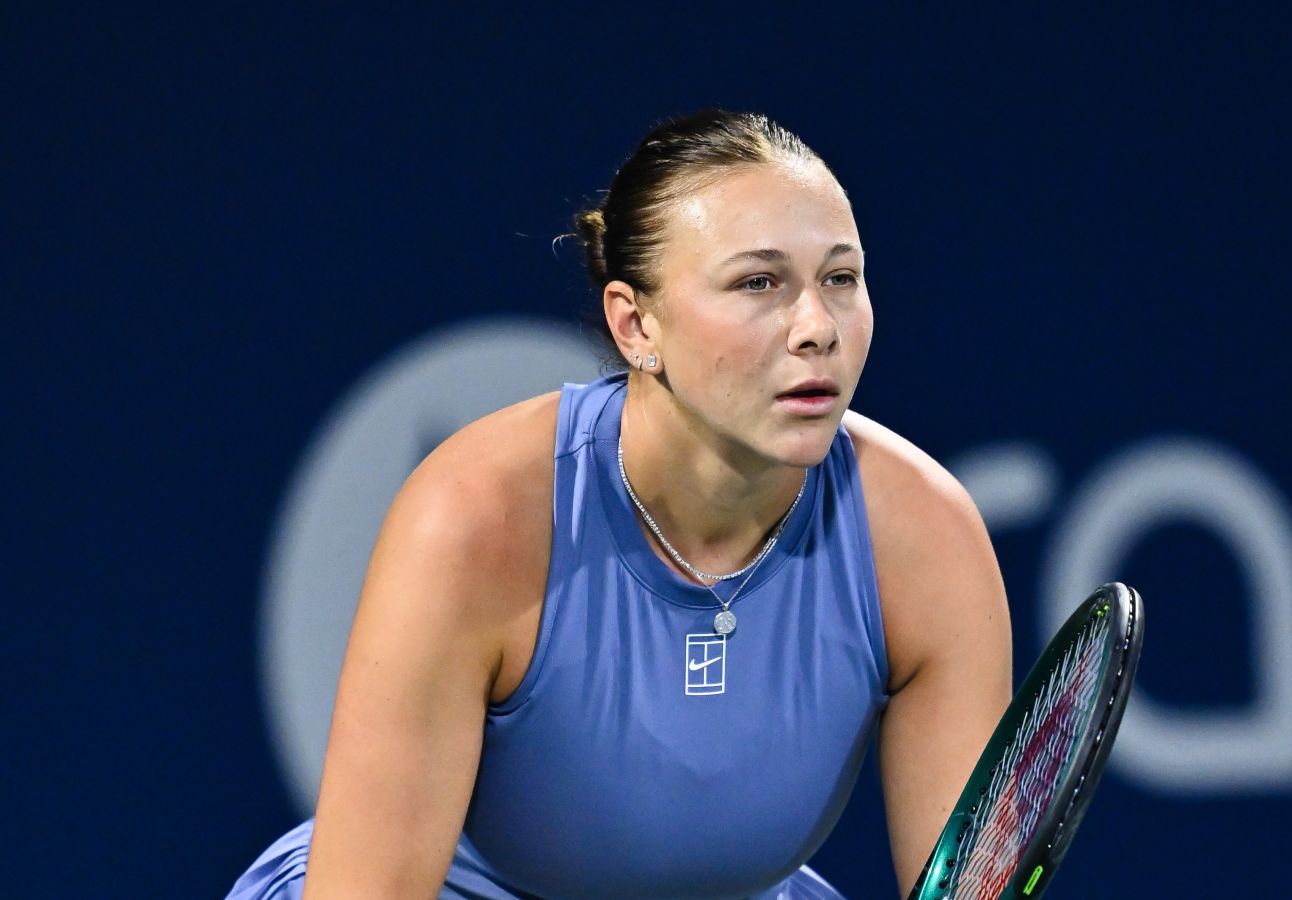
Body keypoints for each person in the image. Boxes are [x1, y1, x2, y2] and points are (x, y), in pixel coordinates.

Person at [227, 109, 1011, 899]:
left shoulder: (923, 536)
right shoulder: (477, 519)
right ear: (635, 325)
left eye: (840, 278)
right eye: (758, 282)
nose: (817, 328)